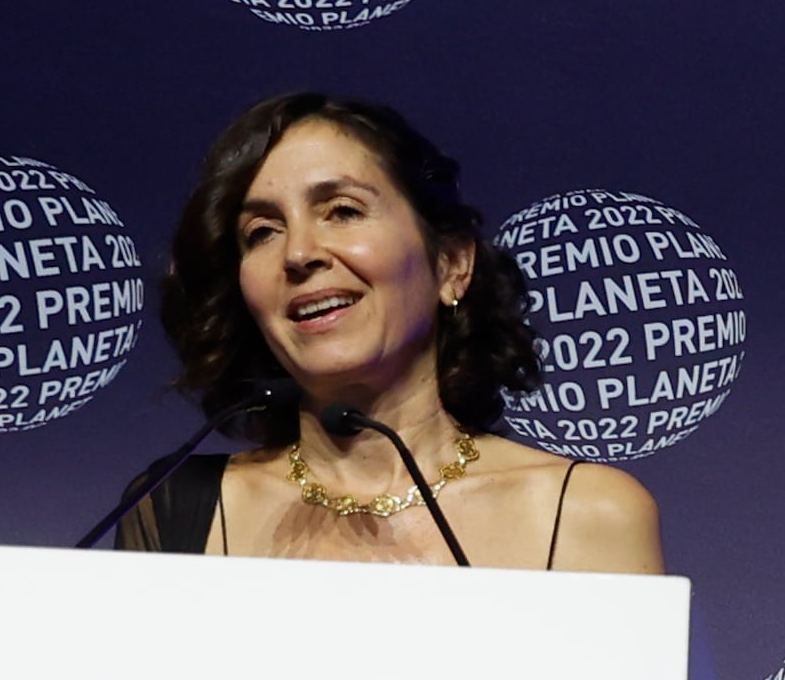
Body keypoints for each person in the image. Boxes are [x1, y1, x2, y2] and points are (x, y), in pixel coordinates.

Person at [111, 92, 663, 575]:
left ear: (449, 264)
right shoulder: (176, 507)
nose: (299, 253)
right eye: (262, 232)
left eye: (343, 211)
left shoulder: (584, 513)